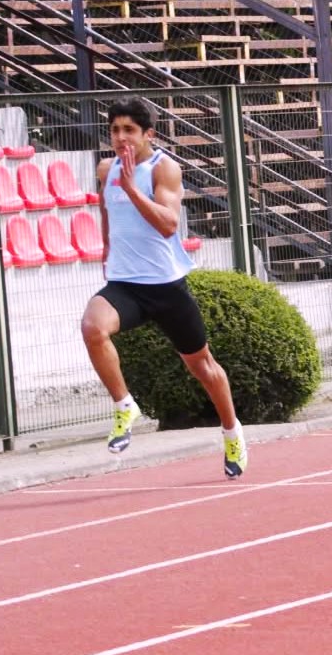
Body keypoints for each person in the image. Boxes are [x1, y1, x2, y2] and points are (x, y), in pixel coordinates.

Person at [79, 98, 247, 478]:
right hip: (125, 283)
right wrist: (108, 252)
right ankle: (124, 406)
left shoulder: (164, 168)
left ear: (147, 134)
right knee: (92, 327)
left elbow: (169, 225)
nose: (120, 137)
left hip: (166, 286)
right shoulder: (106, 169)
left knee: (202, 367)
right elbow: (108, 214)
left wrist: (132, 188)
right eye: (114, 130)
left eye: (129, 131)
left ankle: (232, 430)